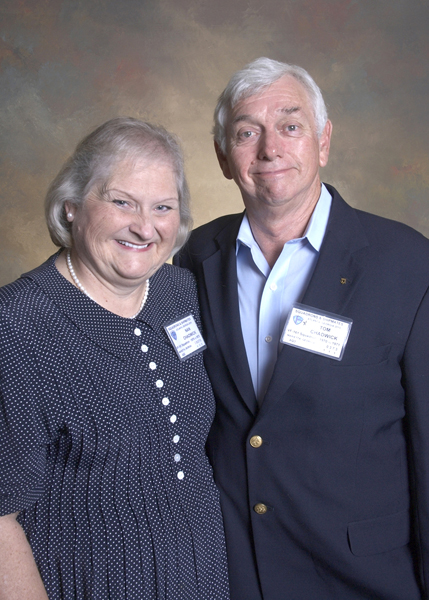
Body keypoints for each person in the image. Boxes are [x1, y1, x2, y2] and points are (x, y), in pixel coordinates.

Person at [174, 57, 429, 599]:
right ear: (223, 156)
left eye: (291, 126)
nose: (270, 149)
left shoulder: (407, 264)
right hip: (236, 573)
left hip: (365, 577)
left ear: (324, 141)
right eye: (247, 132)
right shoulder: (195, 258)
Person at [0, 117, 230, 599]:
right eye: (121, 201)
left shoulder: (180, 293)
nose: (144, 226)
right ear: (71, 208)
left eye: (162, 207)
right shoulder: (20, 323)